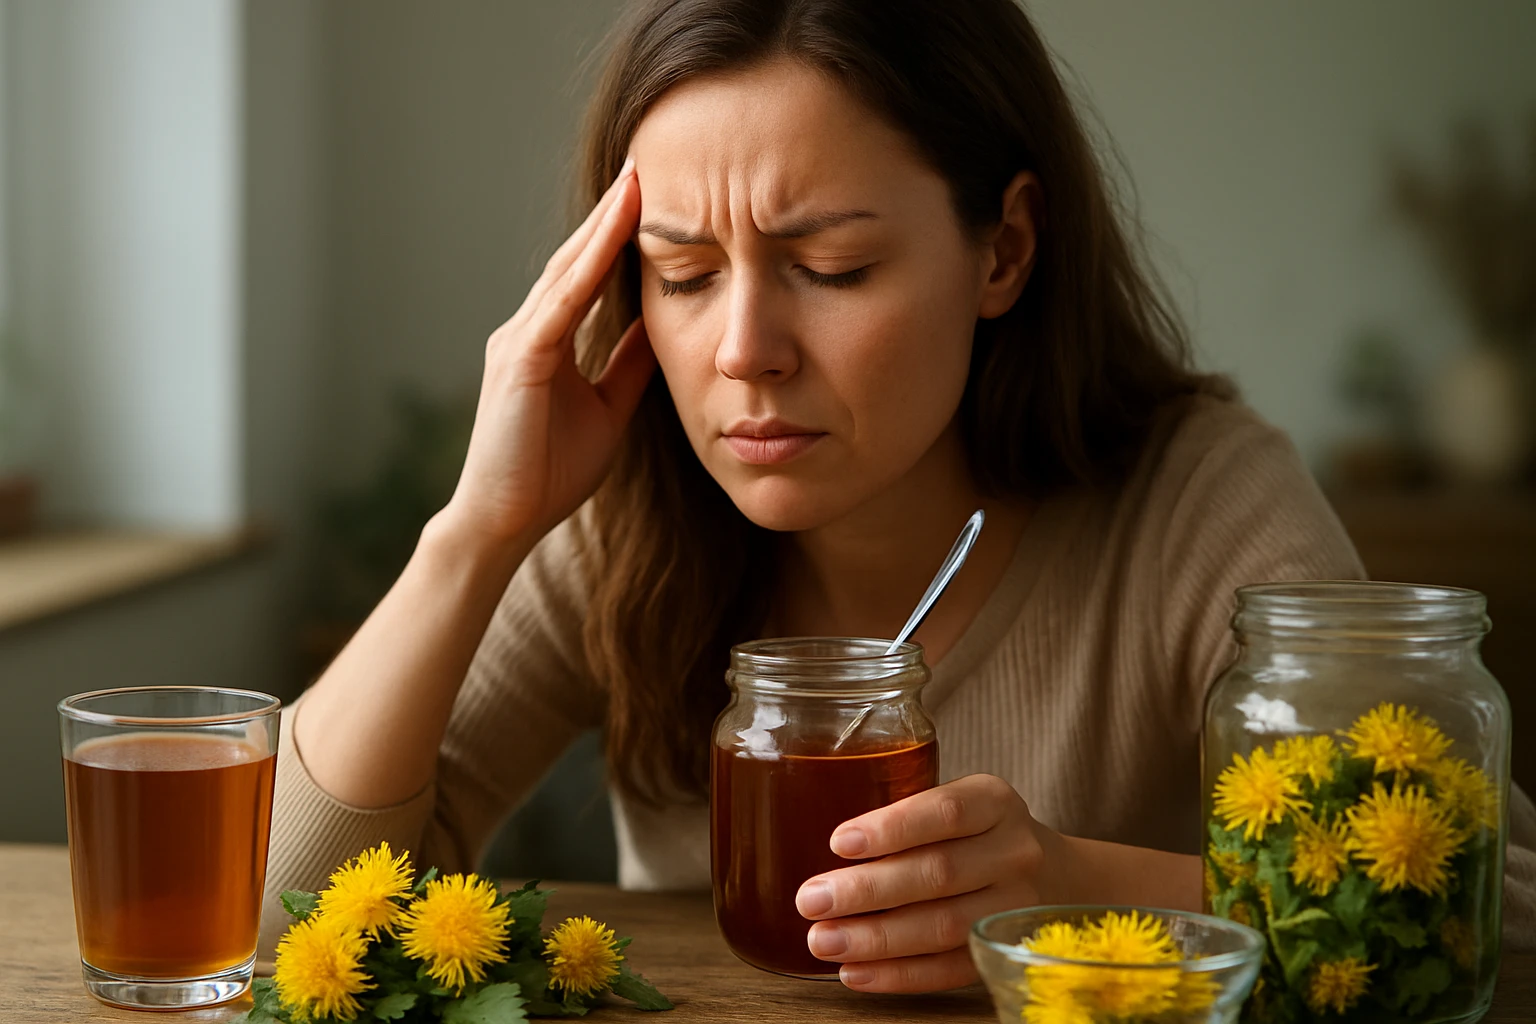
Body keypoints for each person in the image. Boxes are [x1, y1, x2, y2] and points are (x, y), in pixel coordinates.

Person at [262, 0, 1536, 991]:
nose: (743, 348)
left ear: (1004, 249)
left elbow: (1495, 906)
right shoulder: (627, 509)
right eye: (685, 274)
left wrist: (1075, 884)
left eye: (832, 263)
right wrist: (472, 535)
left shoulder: (1196, 498)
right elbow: (280, 914)